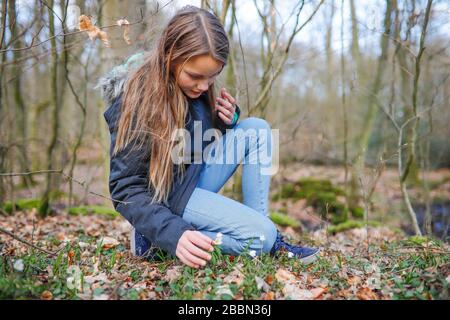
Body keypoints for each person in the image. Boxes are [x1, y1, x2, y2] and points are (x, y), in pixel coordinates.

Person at [98, 5, 319, 269]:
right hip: (166, 197)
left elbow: (192, 144)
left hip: (190, 177)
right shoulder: (136, 99)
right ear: (170, 56)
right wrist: (174, 234)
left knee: (257, 128)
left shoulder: (193, 88)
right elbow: (126, 187)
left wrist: (225, 122)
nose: (204, 86)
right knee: (260, 238)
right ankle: (157, 240)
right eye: (196, 76)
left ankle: (268, 237)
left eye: (212, 77)